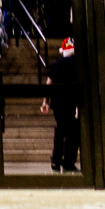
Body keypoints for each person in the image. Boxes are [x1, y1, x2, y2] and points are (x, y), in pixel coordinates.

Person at [45, 37, 82, 172]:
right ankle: (68, 163)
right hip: (71, 103)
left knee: (60, 131)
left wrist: (45, 102)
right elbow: (78, 86)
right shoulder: (77, 65)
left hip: (58, 103)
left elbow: (48, 84)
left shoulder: (55, 65)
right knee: (72, 134)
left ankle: (56, 160)